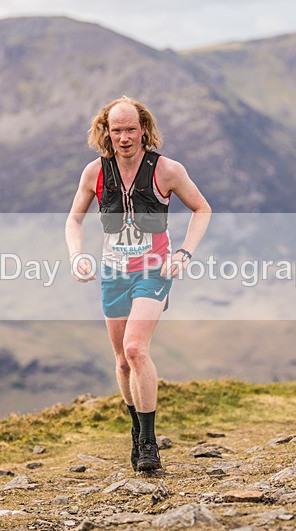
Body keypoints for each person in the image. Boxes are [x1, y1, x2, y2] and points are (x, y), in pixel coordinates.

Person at [65, 96, 211, 471]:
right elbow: (73, 220)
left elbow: (202, 208)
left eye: (131, 129)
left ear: (144, 129)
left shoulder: (167, 170)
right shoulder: (93, 173)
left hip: (154, 271)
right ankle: (136, 430)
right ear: (106, 132)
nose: (125, 137)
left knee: (134, 349)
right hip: (113, 273)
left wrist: (184, 254)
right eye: (117, 130)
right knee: (121, 360)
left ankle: (148, 443)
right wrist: (76, 254)